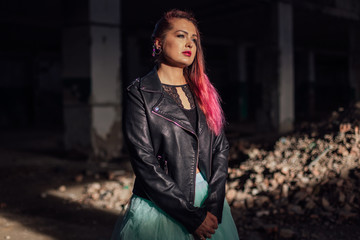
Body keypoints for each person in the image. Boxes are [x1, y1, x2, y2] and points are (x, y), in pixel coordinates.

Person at [111, 9, 239, 240]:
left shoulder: (203, 92)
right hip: (162, 206)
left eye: (194, 39)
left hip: (206, 199)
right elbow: (144, 162)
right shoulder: (140, 93)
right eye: (181, 35)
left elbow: (220, 149)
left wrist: (214, 204)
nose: (189, 43)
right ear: (159, 43)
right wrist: (191, 217)